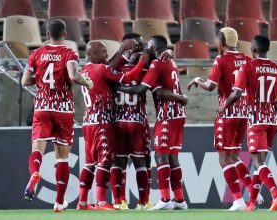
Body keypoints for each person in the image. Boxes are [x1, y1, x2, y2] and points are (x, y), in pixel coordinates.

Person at [187, 27, 263, 211]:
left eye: (217, 39)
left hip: (227, 113)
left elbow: (211, 86)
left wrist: (197, 79)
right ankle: (253, 191)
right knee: (235, 156)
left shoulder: (221, 59)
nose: (215, 43)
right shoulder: (247, 59)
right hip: (243, 114)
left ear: (222, 42)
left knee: (224, 159)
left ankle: (237, 200)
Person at [21, 19, 93, 212]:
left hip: (43, 106)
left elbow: (24, 81)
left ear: (46, 35)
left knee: (38, 148)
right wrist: (87, 83)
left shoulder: (36, 53)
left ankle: (35, 173)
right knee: (62, 158)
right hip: (63, 109)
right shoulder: (69, 54)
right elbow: (73, 76)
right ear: (65, 35)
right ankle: (59, 202)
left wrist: (41, 81)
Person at [220, 35, 277, 211]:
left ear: (253, 50)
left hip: (256, 120)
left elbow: (237, 93)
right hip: (272, 121)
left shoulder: (248, 66)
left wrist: (223, 107)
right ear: (267, 49)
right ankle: (251, 203)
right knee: (260, 163)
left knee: (257, 162)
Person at [116, 35, 188, 210]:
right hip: (178, 115)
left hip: (167, 115)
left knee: (160, 155)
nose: (146, 48)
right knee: (172, 157)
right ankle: (179, 200)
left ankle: (164, 199)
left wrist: (118, 87)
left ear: (155, 48)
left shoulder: (157, 64)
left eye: (149, 46)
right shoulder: (170, 62)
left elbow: (143, 89)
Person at [77, 40, 149, 210]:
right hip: (102, 121)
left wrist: (122, 51)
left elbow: (110, 65)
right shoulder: (101, 69)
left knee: (89, 163)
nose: (106, 55)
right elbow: (129, 77)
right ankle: (101, 202)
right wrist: (142, 63)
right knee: (105, 161)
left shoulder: (84, 70)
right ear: (93, 55)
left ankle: (82, 202)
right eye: (103, 52)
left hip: (88, 121)